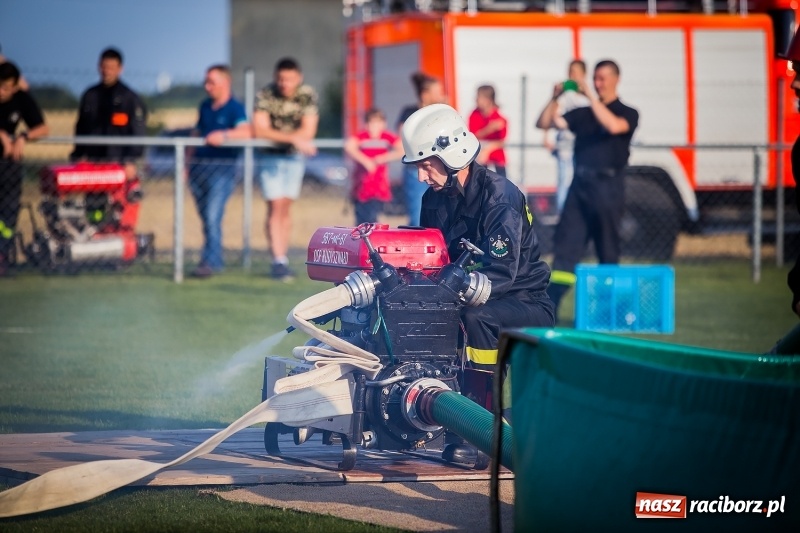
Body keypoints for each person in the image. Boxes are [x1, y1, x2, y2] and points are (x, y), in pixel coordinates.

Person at [402, 103, 555, 370]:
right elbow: (432, 258)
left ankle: (481, 399)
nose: (420, 177)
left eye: (426, 166)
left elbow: (500, 276)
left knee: (476, 318)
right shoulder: (433, 199)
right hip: (466, 294)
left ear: (453, 155)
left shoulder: (499, 198)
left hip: (522, 301)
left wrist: (446, 289)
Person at [535, 59, 639, 320]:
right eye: (595, 78)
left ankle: (609, 313)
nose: (598, 83)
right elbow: (544, 123)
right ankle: (551, 311)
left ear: (617, 79)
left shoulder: (627, 112)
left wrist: (591, 97)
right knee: (565, 248)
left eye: (603, 78)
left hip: (609, 188)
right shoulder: (583, 113)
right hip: (579, 188)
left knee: (608, 250)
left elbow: (614, 126)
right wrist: (554, 97)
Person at [253, 57, 318, 281]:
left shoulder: (307, 94)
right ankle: (278, 260)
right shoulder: (265, 95)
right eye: (281, 79)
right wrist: (294, 139)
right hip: (269, 158)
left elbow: (308, 131)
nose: (284, 83)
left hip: (293, 160)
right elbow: (260, 130)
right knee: (275, 206)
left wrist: (291, 140)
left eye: (289, 79)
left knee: (285, 208)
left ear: (298, 78)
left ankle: (283, 257)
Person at [187, 65, 251, 279]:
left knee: (213, 217)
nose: (207, 87)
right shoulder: (205, 106)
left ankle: (211, 263)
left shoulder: (235, 108)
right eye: (206, 82)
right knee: (206, 218)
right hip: (198, 170)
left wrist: (223, 135)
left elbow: (245, 132)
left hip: (221, 171)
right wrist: (187, 163)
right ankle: (211, 258)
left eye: (212, 82)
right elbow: (196, 133)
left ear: (225, 83)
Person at [0, 62, 48, 275]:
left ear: (15, 86)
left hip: (9, 167)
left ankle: (3, 255)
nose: (2, 92)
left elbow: (43, 128)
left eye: (6, 88)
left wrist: (23, 137)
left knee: (8, 215)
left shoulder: (21, 98)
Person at [71, 48, 147, 181]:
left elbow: (138, 133)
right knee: (93, 201)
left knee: (119, 201)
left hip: (119, 164)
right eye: (104, 67)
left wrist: (130, 160)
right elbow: (80, 128)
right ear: (99, 67)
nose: (107, 71)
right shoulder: (90, 96)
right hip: (93, 163)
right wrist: (79, 154)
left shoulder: (130, 98)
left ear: (120, 69)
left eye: (111, 67)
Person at [396, 72, 446, 226]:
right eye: (437, 92)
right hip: (416, 171)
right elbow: (405, 136)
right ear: (425, 94)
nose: (442, 95)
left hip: (440, 169)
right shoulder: (410, 113)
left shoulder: (442, 112)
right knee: (417, 215)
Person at [543, 59, 590, 213]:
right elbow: (550, 118)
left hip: (583, 147)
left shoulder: (587, 97)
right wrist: (546, 137)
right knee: (564, 181)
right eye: (570, 72)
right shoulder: (563, 97)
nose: (572, 76)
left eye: (576, 72)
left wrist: (586, 91)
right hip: (565, 147)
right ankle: (564, 214)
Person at [343, 108, 403, 224]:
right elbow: (349, 146)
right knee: (361, 220)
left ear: (383, 124)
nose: (374, 127)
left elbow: (402, 149)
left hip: (379, 187)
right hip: (362, 187)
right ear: (366, 124)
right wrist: (365, 161)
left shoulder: (386, 137)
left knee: (373, 218)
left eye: (378, 123)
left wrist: (384, 158)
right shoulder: (362, 137)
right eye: (371, 123)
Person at [468, 85, 508, 177]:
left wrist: (488, 149)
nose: (476, 99)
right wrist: (489, 129)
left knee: (501, 184)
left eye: (479, 97)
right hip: (479, 158)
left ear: (488, 100)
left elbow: (501, 142)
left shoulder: (499, 116)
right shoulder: (474, 115)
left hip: (496, 160)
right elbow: (472, 136)